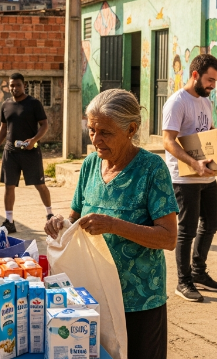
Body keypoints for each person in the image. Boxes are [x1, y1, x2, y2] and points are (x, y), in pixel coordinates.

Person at [45, 89, 178, 359]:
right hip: (93, 296)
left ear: (131, 129)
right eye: (92, 130)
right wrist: (61, 222)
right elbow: (75, 215)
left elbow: (168, 238)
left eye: (105, 132)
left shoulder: (152, 169)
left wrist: (114, 225)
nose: (96, 139)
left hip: (139, 301)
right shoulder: (91, 165)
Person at [162, 54, 217, 302]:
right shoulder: (177, 102)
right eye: (210, 79)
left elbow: (204, 133)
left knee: (212, 222)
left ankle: (199, 273)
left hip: (206, 175)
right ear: (195, 75)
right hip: (184, 177)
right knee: (187, 230)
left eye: (216, 80)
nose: (213, 85)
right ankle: (183, 281)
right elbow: (168, 141)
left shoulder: (206, 102)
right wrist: (192, 163)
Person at [0, 73, 51, 234]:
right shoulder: (6, 105)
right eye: (12, 85)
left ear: (24, 86)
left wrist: (34, 140)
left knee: (40, 185)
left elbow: (44, 125)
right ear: (8, 87)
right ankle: (9, 221)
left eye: (17, 85)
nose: (14, 88)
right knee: (9, 186)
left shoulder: (34, 104)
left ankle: (49, 214)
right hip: (11, 152)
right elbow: (3, 128)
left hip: (30, 151)